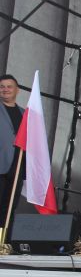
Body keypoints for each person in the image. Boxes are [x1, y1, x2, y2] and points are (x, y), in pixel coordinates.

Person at [0, 75, 24, 228]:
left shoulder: (25, 114)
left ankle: (2, 239)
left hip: (17, 169)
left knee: (9, 209)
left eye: (9, 86)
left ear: (17, 90)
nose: (5, 89)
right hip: (1, 165)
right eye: (2, 86)